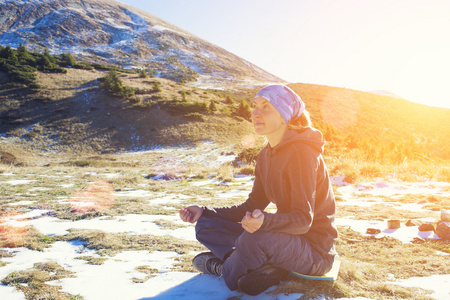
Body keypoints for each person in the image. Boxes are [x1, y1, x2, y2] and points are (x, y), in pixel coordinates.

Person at [179, 84, 338, 295]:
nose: (256, 113)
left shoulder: (302, 152)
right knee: (206, 225)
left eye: (266, 107)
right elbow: (252, 205)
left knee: (253, 238)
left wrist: (265, 222)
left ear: (284, 115)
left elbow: (302, 221)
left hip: (314, 253)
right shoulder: (266, 155)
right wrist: (205, 211)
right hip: (283, 240)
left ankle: (223, 268)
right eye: (254, 107)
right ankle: (261, 266)